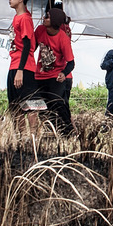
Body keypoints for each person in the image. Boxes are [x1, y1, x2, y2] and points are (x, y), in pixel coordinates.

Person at [33, 8, 75, 136]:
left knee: (57, 103)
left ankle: (68, 132)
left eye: (48, 17)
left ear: (55, 21)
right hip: (39, 75)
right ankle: (50, 131)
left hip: (55, 76)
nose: (44, 18)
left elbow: (71, 63)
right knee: (40, 106)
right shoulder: (40, 30)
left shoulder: (63, 38)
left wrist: (63, 73)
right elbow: (32, 48)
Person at [4, 0, 38, 132]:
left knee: (30, 105)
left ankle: (33, 138)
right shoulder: (17, 16)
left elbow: (27, 44)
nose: (9, 0)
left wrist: (20, 69)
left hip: (24, 67)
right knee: (15, 106)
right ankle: (20, 138)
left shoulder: (25, 18)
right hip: (14, 65)